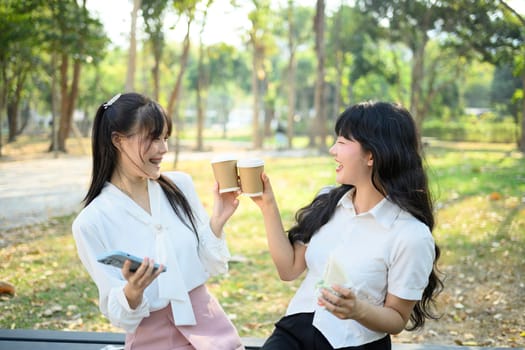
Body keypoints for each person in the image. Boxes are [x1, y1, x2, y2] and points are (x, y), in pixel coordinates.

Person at [250, 101, 443, 350]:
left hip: (352, 343)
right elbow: (288, 269)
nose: (332, 150)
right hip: (294, 332)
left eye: (342, 142)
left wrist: (357, 309)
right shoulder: (329, 201)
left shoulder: (410, 235)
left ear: (371, 155)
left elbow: (397, 319)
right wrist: (267, 205)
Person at [72, 92, 244, 350]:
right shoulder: (91, 222)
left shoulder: (180, 186)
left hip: (211, 329)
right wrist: (133, 291)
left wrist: (218, 220)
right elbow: (118, 313)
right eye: (153, 138)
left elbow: (211, 265)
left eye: (165, 138)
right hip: (151, 339)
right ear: (118, 140)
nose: (163, 149)